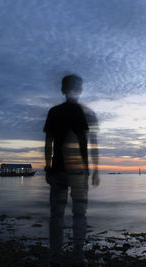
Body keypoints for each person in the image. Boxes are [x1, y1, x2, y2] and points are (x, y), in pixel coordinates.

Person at [44, 74, 99, 266]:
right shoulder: (86, 113)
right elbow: (93, 143)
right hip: (78, 172)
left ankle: (56, 257)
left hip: (60, 170)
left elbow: (48, 143)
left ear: (62, 89)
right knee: (78, 214)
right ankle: (77, 255)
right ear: (80, 89)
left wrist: (48, 167)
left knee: (57, 214)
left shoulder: (55, 112)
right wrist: (95, 170)